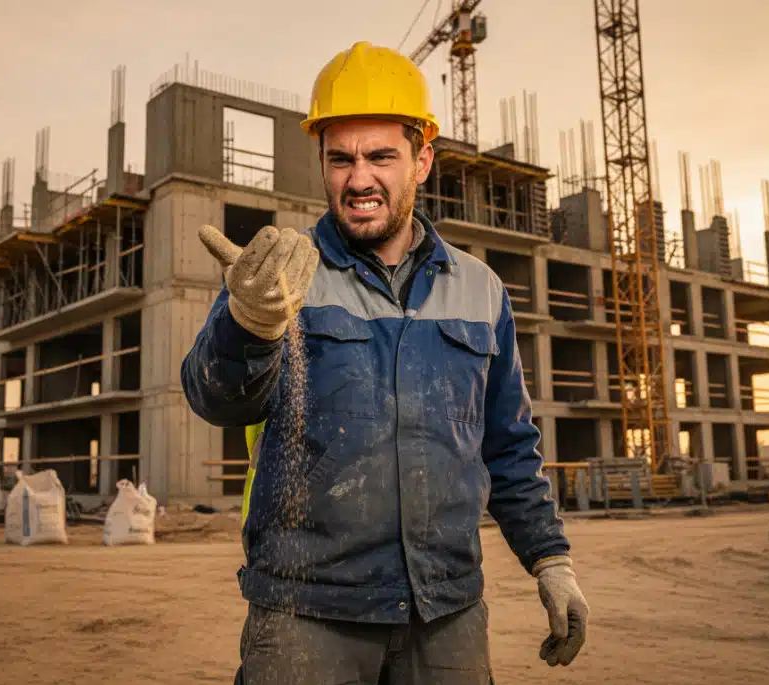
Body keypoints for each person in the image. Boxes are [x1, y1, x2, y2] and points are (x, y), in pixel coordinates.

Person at [181, 41, 588, 685]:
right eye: (340, 158)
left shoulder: (480, 291)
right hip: (306, 614)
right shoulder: (282, 277)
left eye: (380, 157)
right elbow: (215, 398)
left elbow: (508, 448)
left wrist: (551, 562)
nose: (359, 178)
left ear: (422, 160)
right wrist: (248, 324)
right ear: (321, 161)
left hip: (446, 615)